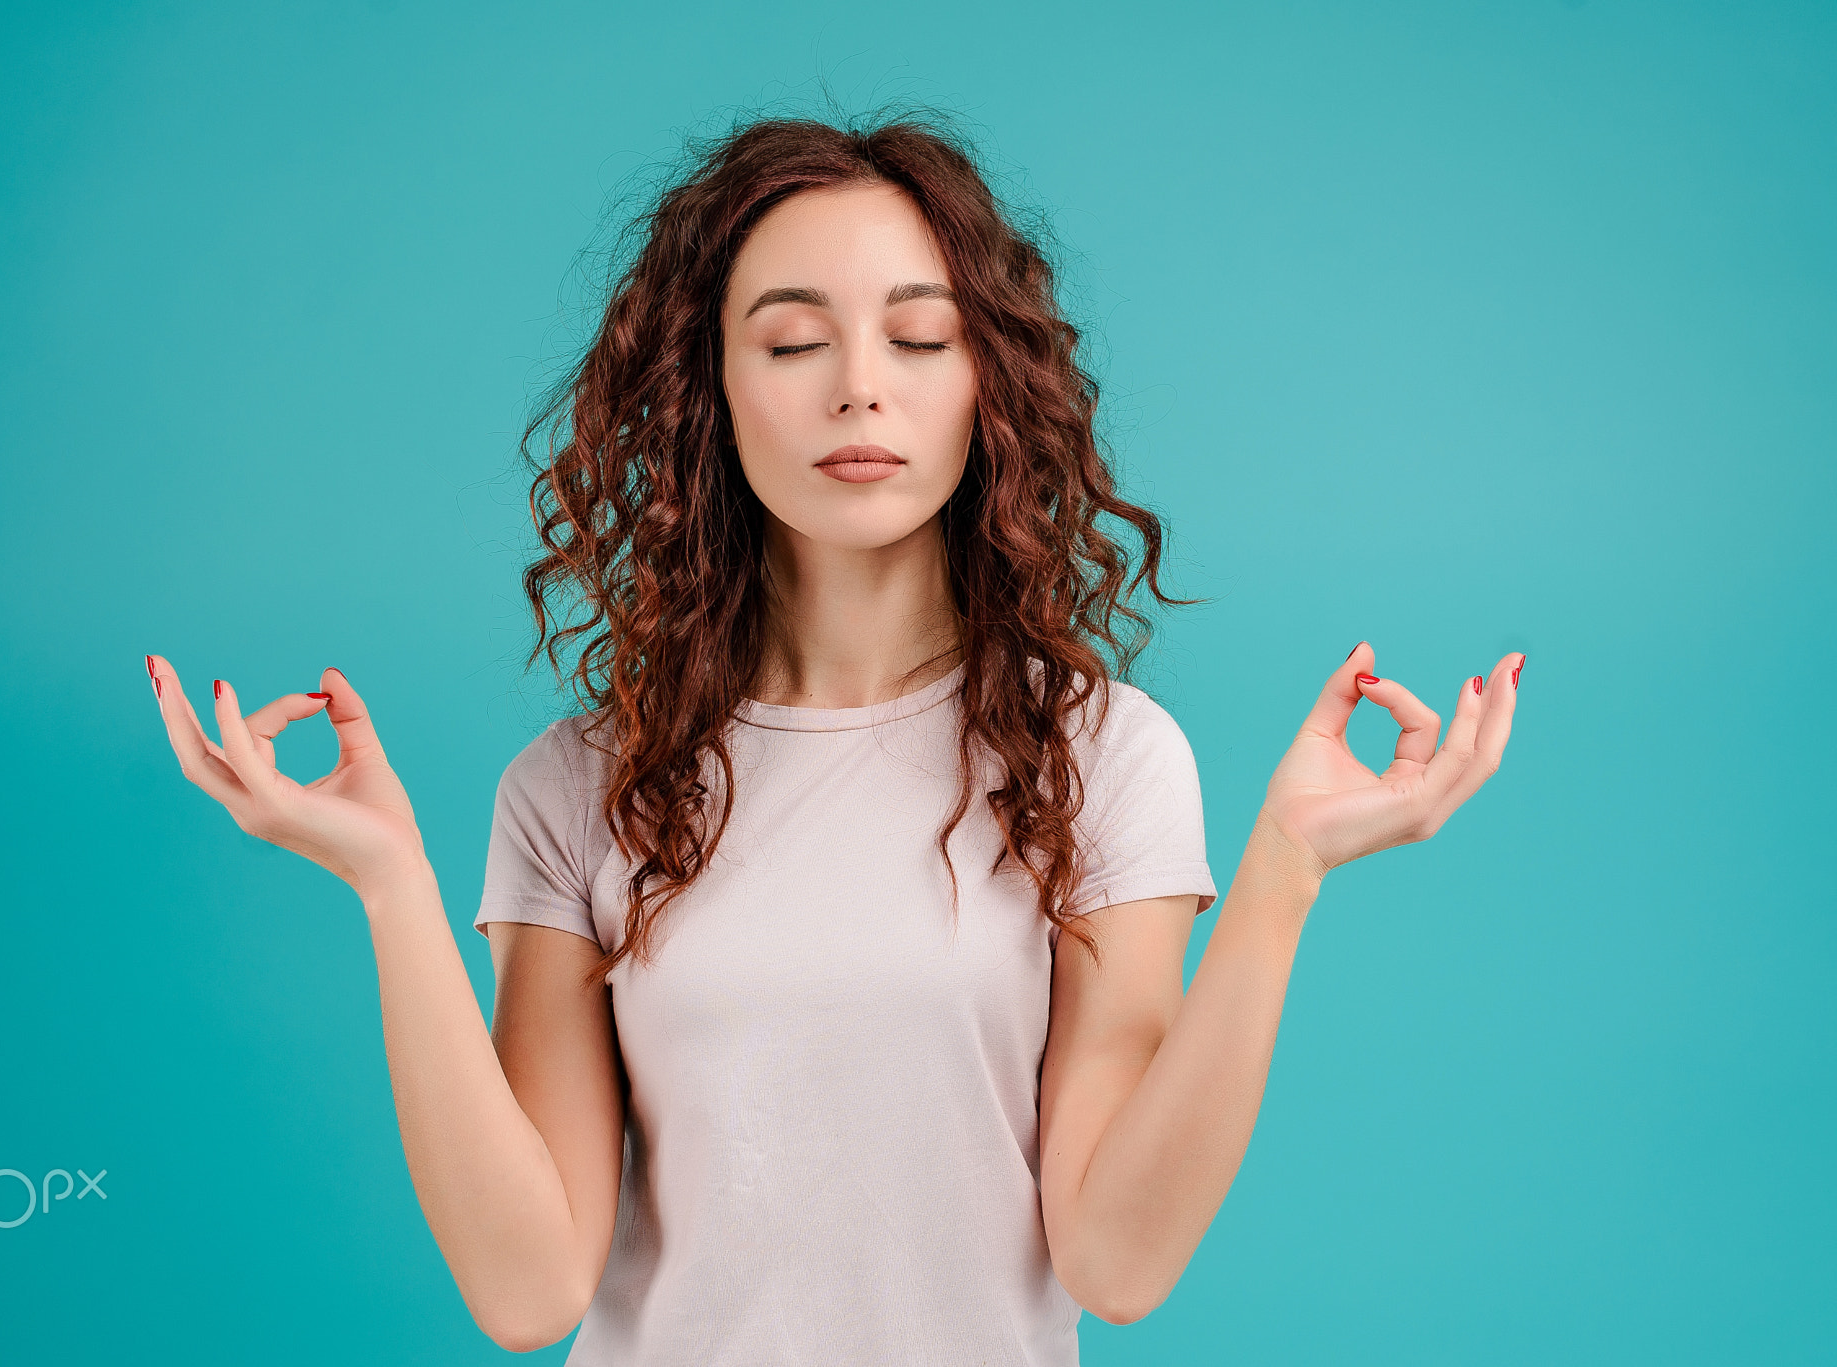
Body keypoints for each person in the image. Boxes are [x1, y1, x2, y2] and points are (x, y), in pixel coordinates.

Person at [144, 113, 1521, 1364]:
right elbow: (526, 1294)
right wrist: (391, 888)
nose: (860, 388)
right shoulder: (574, 788)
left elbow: (1118, 1259)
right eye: (794, 340)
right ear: (709, 388)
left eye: (919, 339)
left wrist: (1284, 874)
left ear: (989, 388)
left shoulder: (1103, 759)